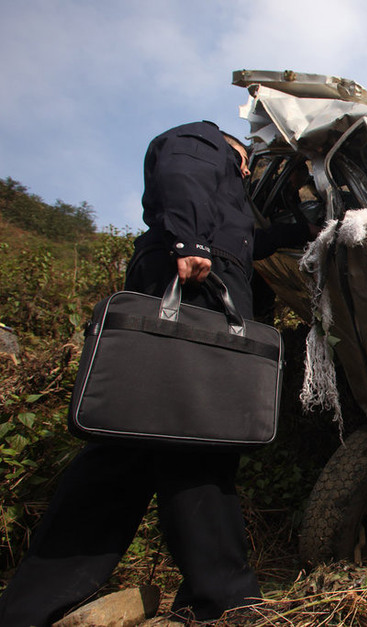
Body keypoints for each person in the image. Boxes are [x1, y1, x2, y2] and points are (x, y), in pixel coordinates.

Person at [0, 121, 310, 625]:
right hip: (193, 282)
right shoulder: (202, 140)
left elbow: (249, 241)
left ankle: (36, 605)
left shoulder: (219, 203)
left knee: (134, 443)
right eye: (246, 164)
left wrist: (305, 227)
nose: (248, 171)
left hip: (196, 272)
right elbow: (182, 173)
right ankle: (222, 601)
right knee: (198, 439)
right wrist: (190, 241)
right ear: (234, 148)